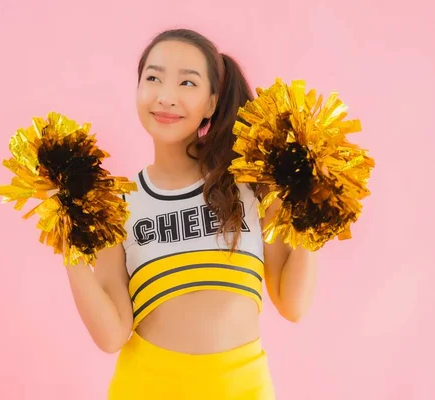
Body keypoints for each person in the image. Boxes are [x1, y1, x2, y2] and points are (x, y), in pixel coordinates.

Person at [65, 28, 318, 399]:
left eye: (187, 82)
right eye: (153, 78)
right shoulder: (118, 203)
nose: (166, 96)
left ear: (212, 102)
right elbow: (111, 334)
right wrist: (65, 236)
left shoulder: (251, 184)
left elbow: (292, 303)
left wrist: (312, 213)